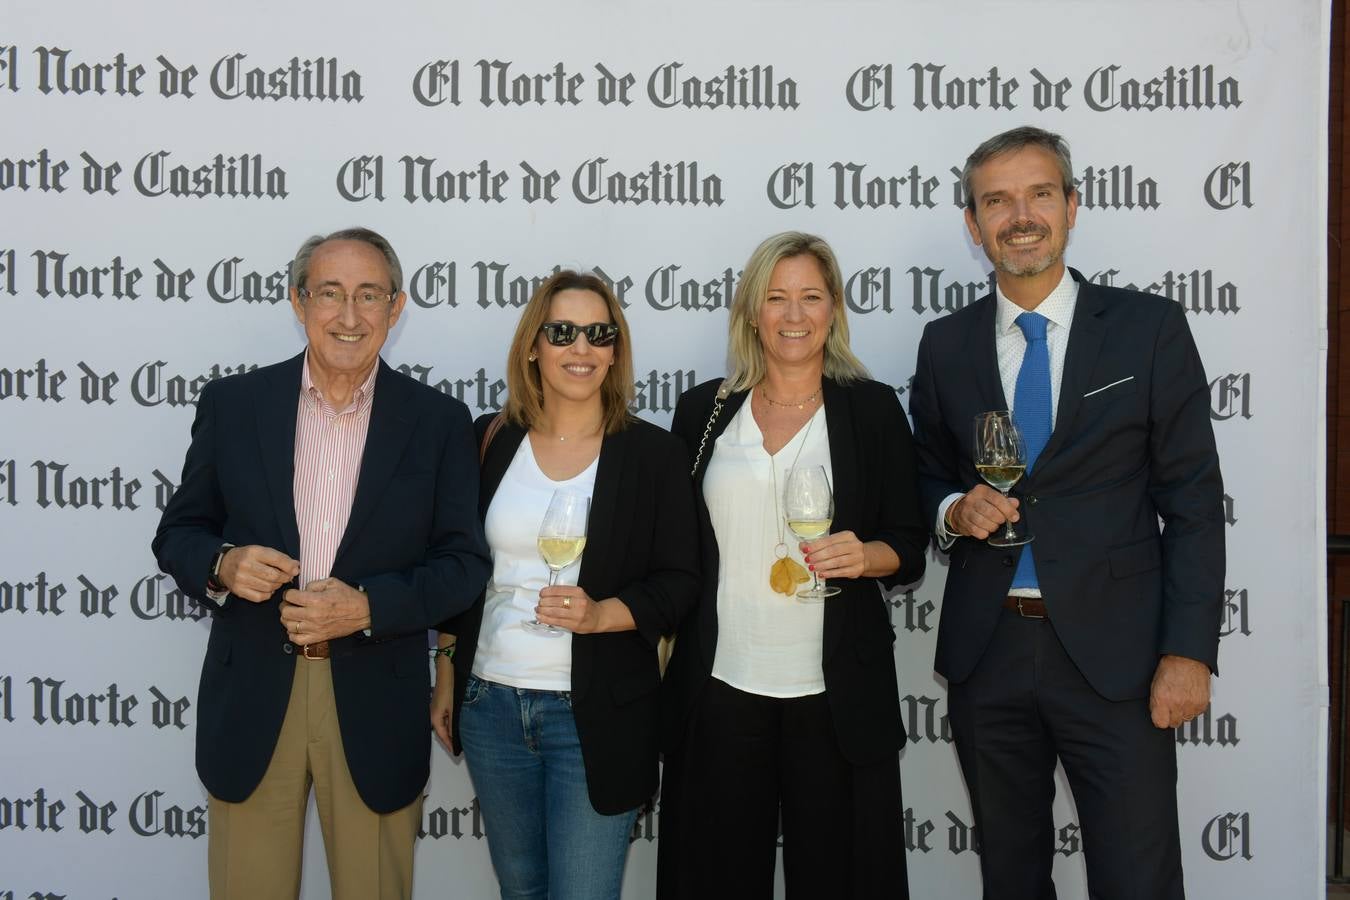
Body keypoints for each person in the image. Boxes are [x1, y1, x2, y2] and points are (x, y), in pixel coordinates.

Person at [908, 126, 1225, 899]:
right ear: (973, 224)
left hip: (1119, 662)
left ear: (1073, 206)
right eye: (997, 200)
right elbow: (921, 475)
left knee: (1138, 880)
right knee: (1011, 880)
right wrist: (953, 508)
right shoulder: (944, 345)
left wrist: (1189, 652)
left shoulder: (1149, 330)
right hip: (990, 656)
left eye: (1039, 193)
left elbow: (1191, 501)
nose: (1021, 215)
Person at [152, 227, 491, 900]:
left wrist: (369, 607)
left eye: (369, 296)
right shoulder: (233, 404)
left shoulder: (440, 422)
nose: (349, 315)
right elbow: (179, 533)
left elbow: (463, 566)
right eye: (330, 294)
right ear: (297, 301)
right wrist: (223, 563)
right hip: (253, 699)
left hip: (375, 700)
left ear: (396, 309)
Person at [657, 231, 928, 898]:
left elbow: (908, 542)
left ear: (834, 308)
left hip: (835, 699)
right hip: (719, 688)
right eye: (777, 298)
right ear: (753, 310)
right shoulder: (702, 411)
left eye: (811, 296)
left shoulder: (871, 409)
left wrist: (868, 556)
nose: (794, 315)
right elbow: (671, 548)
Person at [429, 270, 699, 900]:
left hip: (595, 716)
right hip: (490, 704)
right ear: (533, 345)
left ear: (615, 350)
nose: (582, 348)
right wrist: (446, 669)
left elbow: (683, 581)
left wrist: (603, 614)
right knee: (522, 892)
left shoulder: (653, 455)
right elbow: (459, 566)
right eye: (563, 332)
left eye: (599, 334)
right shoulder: (490, 440)